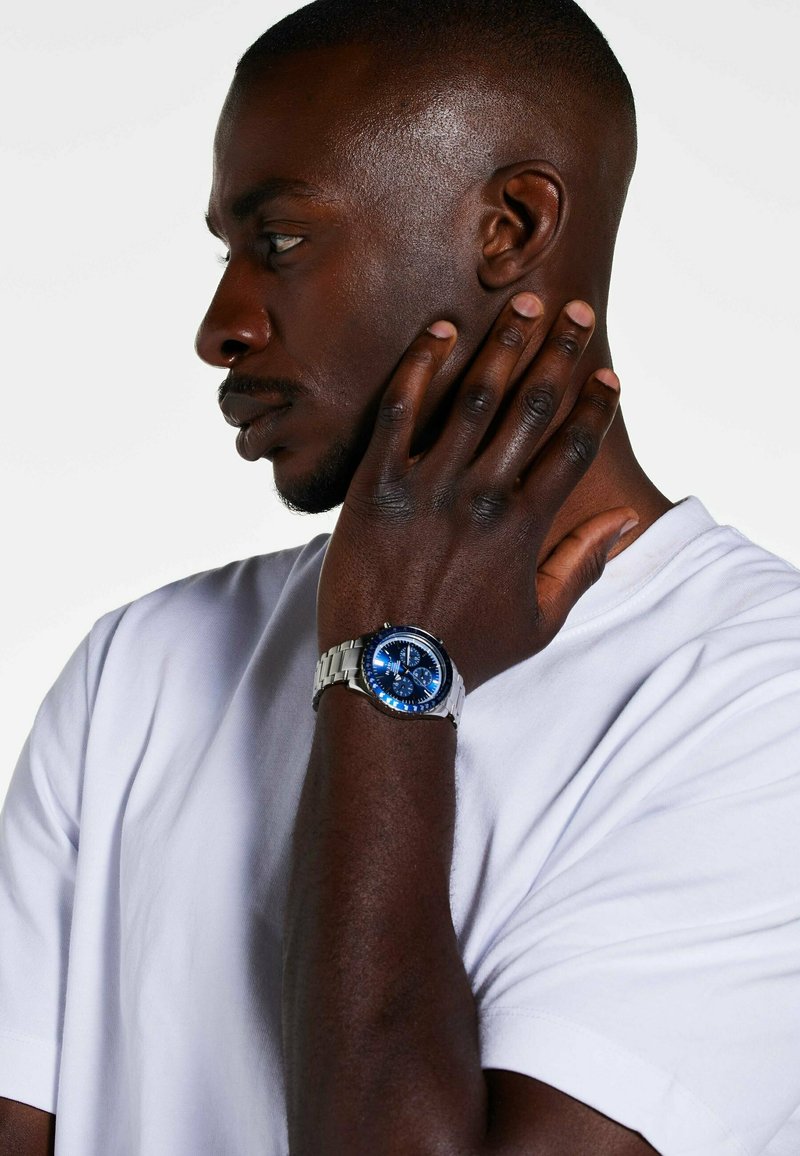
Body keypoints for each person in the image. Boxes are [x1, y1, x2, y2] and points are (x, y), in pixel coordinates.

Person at [1, 0, 799, 1152]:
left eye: (278, 243)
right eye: (223, 253)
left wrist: (389, 668)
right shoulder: (140, 663)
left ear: (508, 227)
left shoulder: (755, 704)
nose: (218, 327)